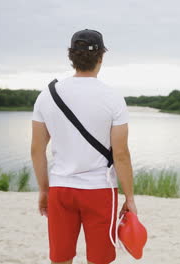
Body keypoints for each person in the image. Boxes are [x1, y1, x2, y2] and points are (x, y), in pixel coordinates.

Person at [30, 29, 137, 264]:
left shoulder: (47, 95)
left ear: (72, 56)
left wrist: (44, 190)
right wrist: (129, 197)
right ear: (101, 56)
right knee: (100, 259)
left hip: (61, 190)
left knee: (60, 258)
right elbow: (120, 155)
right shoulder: (113, 98)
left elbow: (37, 150)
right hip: (100, 190)